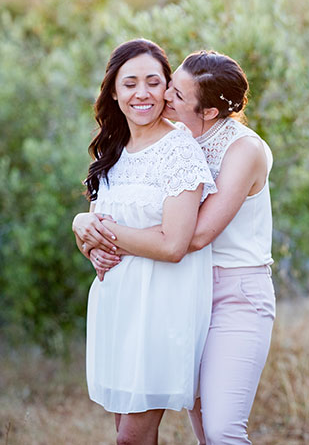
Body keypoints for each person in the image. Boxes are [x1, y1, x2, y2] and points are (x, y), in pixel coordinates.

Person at [76, 50, 276, 445]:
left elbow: (192, 237)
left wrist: (104, 230)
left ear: (210, 113)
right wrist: (84, 225)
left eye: (177, 95)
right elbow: (131, 203)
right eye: (171, 85)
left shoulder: (244, 150)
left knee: (222, 430)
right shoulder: (171, 136)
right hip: (182, 290)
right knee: (203, 430)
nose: (164, 96)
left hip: (234, 293)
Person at [72, 38, 217, 445]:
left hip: (161, 307)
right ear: (113, 92)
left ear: (167, 88)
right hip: (118, 306)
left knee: (131, 439)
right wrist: (84, 233)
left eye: (153, 82)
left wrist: (95, 230)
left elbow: (174, 244)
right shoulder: (114, 151)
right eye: (130, 83)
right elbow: (100, 230)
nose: (142, 93)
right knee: (128, 434)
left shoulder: (179, 151)